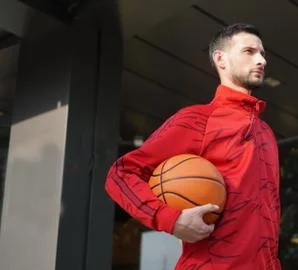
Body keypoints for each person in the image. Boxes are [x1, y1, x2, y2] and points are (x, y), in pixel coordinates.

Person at [105, 23, 281, 269]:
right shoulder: (197, 120)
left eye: (262, 53)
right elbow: (120, 175)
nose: (261, 60)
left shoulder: (267, 134)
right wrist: (171, 219)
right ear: (221, 59)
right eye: (249, 51)